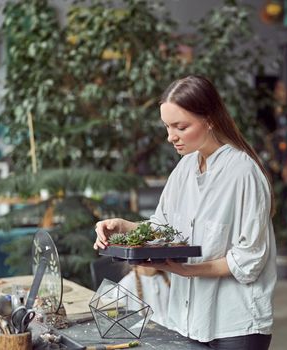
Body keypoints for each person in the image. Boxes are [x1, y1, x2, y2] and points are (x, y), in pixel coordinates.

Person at [94, 75, 277, 350]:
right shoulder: (185, 168)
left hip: (235, 324)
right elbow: (164, 228)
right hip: (188, 319)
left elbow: (249, 260)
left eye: (181, 126)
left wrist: (187, 270)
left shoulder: (243, 172)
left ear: (210, 119)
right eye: (167, 127)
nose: (171, 137)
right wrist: (124, 227)